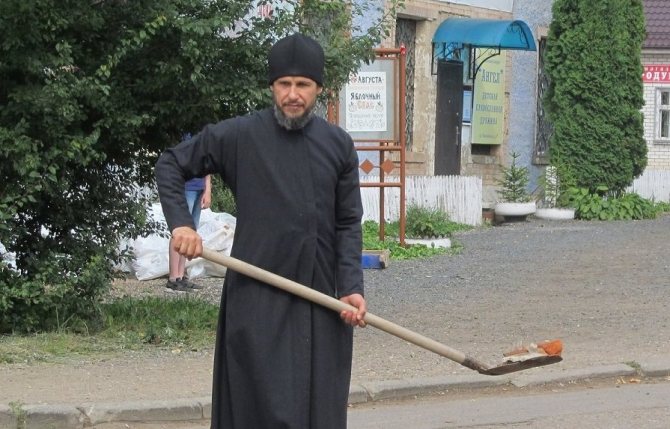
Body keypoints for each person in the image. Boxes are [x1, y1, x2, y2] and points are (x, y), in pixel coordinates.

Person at [155, 33, 367, 428]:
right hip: (257, 299)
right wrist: (182, 224)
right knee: (259, 411)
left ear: (319, 89)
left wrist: (350, 285)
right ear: (272, 87)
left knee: (319, 411)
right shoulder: (240, 135)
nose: (292, 94)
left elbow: (347, 223)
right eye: (284, 84)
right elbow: (171, 164)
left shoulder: (338, 145)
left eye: (302, 85)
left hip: (320, 298)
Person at [165, 174, 211, 291]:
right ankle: (173, 278)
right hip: (185, 187)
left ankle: (180, 276)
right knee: (181, 229)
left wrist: (207, 189)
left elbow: (207, 167)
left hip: (199, 188)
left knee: (190, 231)